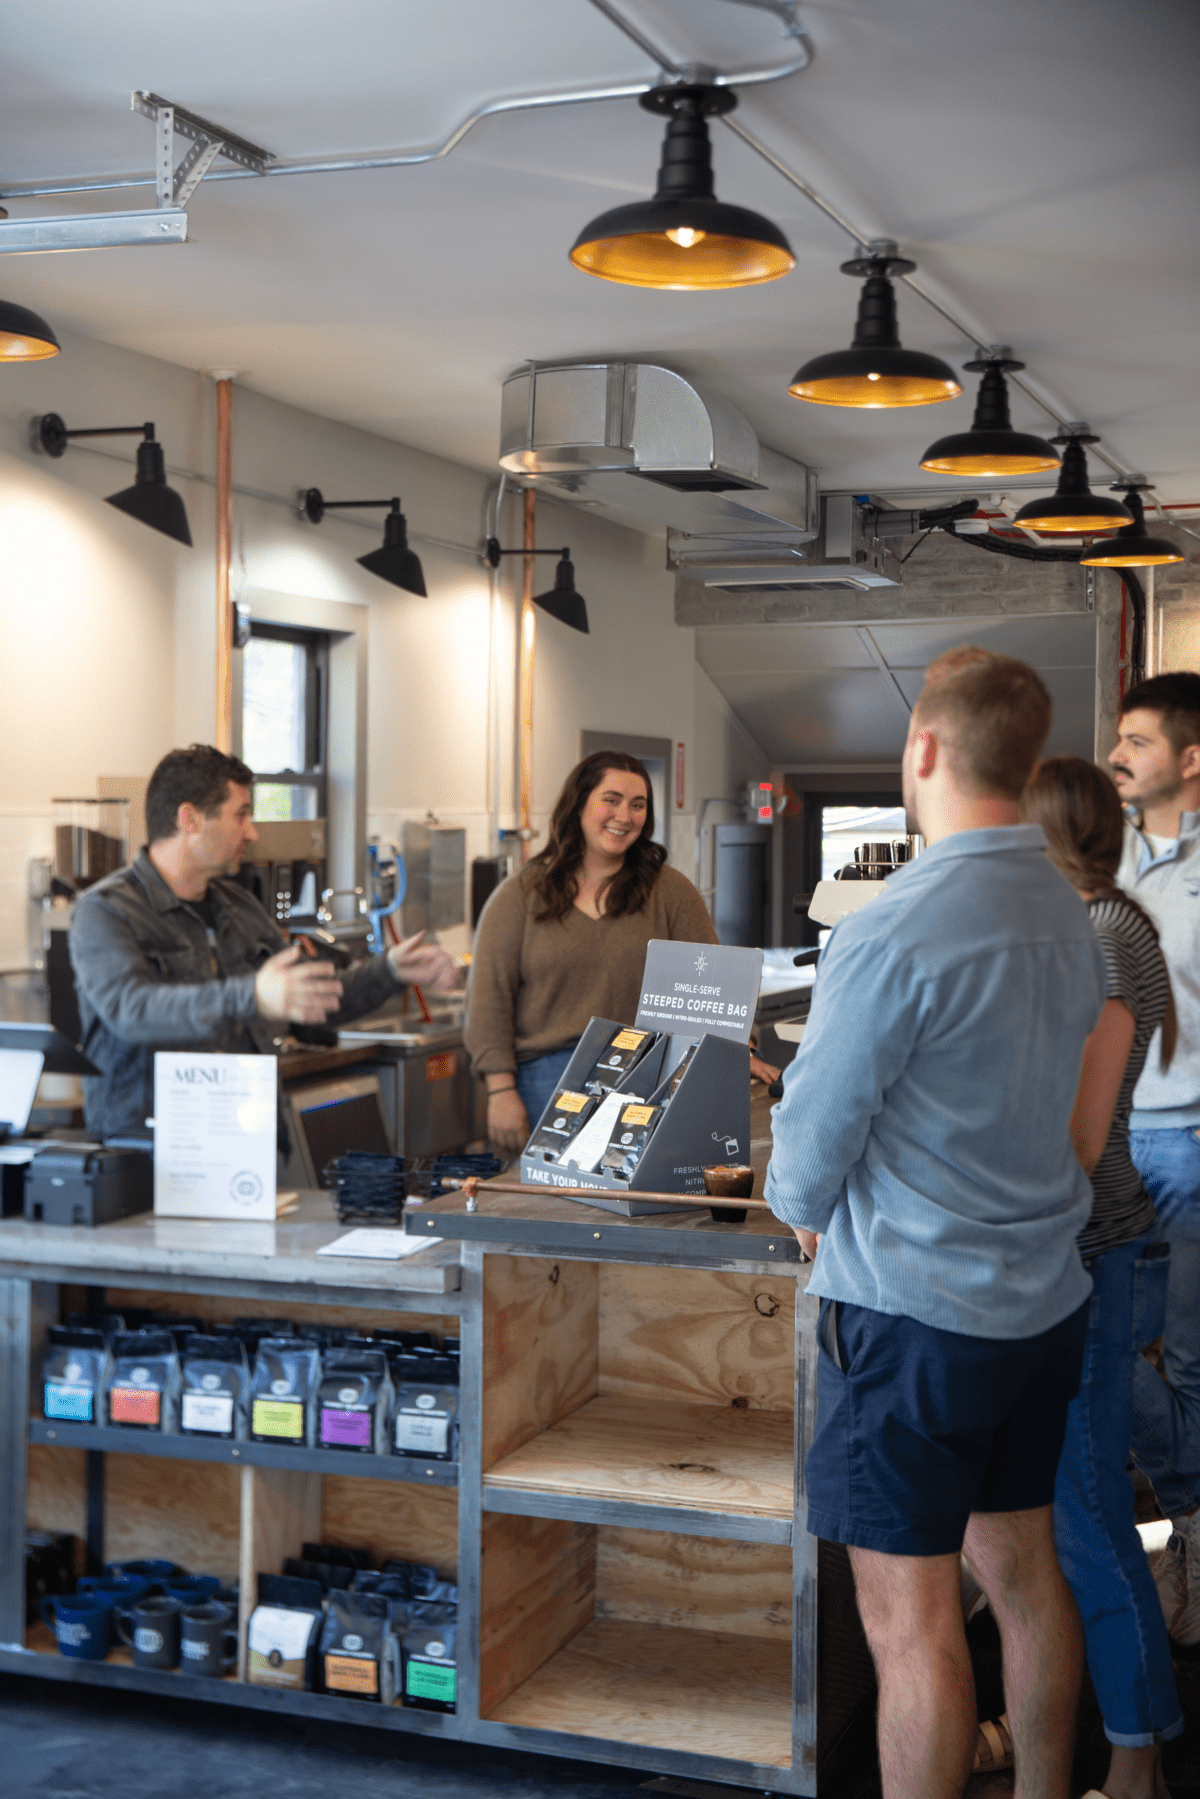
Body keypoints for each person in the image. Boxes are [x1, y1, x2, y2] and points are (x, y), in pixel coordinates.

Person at [764, 653, 1106, 1799]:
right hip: (1041, 1304)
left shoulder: (892, 927)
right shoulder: (1072, 915)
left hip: (913, 1318)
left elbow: (808, 1153)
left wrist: (799, 1209)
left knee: (910, 1625)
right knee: (1023, 1572)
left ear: (923, 754)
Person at [1020, 755, 1182, 1799]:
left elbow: (1077, 1140)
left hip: (1084, 1247)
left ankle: (1138, 1757)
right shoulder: (1079, 926)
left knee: (1086, 1514)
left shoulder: (1103, 934)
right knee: (1051, 1521)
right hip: (1065, 1247)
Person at [70, 744, 456, 1139]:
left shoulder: (239, 906)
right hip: (147, 1149)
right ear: (190, 819)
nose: (252, 833)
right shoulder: (106, 912)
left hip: (241, 1142)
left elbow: (311, 999)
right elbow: (131, 1010)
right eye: (241, 815)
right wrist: (253, 994)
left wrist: (389, 971)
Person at [466, 751, 747, 1154]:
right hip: (544, 1082)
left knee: (631, 1207)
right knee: (551, 1209)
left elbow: (711, 983)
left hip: (643, 1080)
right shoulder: (520, 896)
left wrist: (740, 1051)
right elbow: (488, 1000)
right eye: (610, 800)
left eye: (638, 805)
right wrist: (500, 1090)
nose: (625, 816)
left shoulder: (670, 892)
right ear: (578, 804)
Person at [1108, 672, 1200, 1645]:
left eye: (1136, 739)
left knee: (1190, 1360)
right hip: (1110, 1138)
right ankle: (1189, 1514)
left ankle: (1187, 1551)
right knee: (1098, 1338)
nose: (1119, 754)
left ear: (1189, 756)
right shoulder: (1110, 855)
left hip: (1192, 1141)